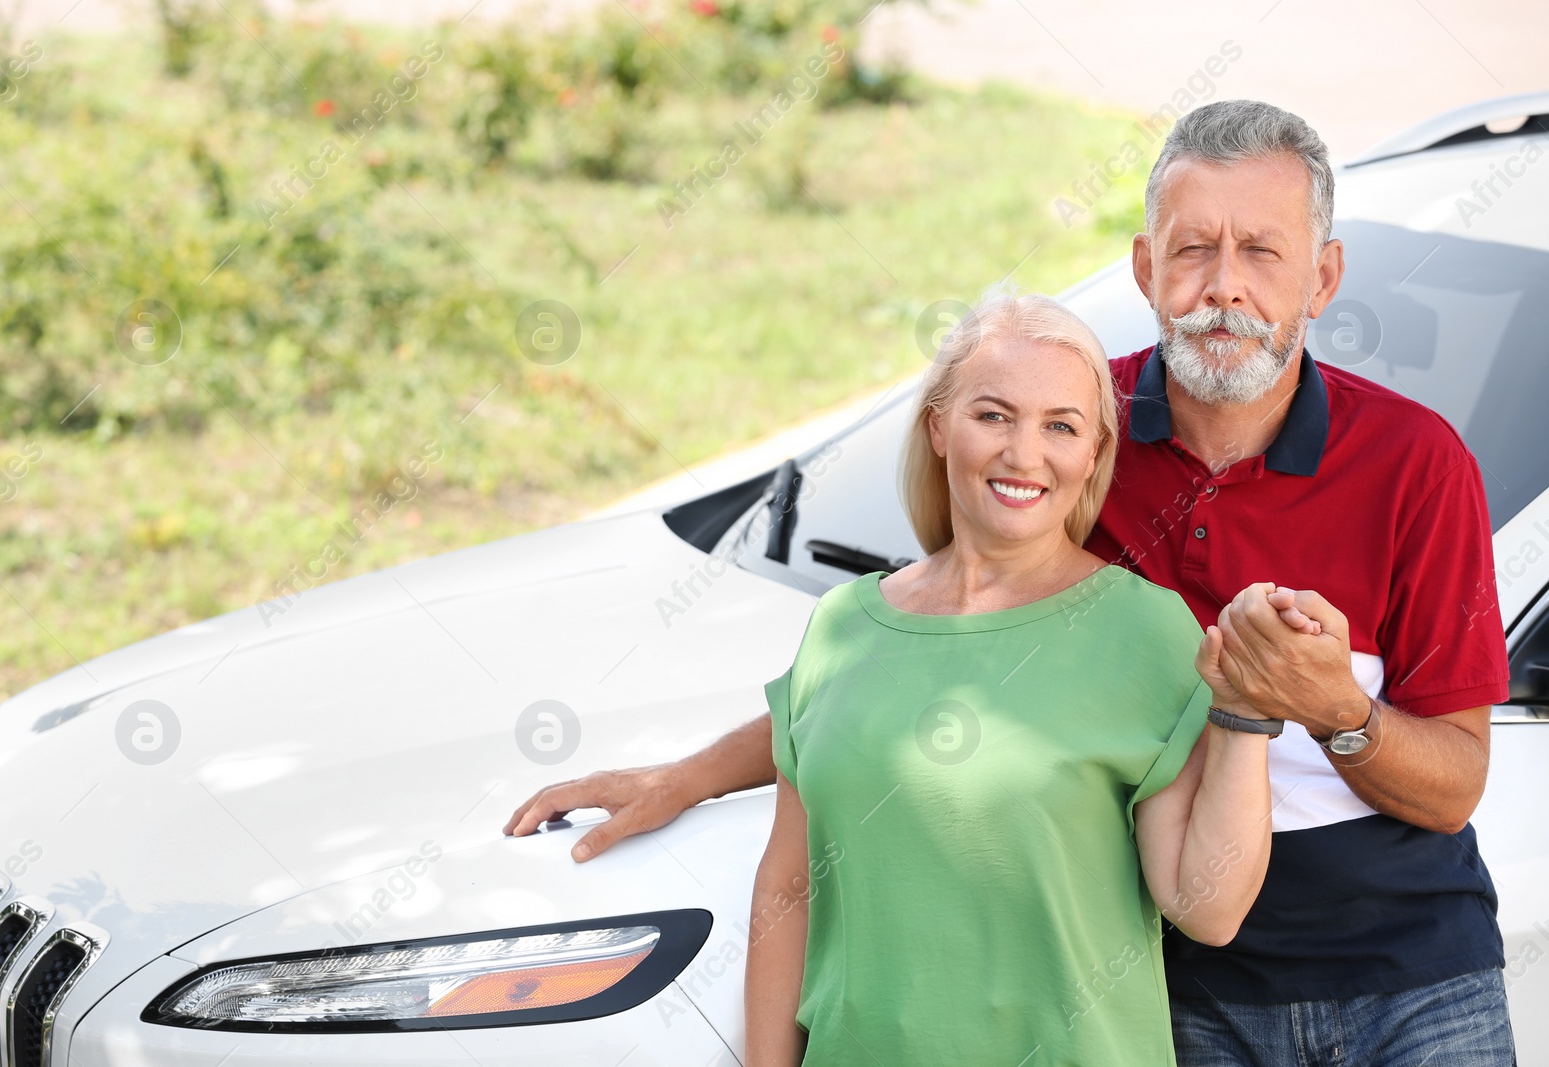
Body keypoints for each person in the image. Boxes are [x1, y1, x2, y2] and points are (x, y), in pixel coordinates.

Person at [505, 100, 1516, 1066]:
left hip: (1407, 975)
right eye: (1192, 249)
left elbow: (1453, 782)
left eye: (1262, 252)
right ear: (1143, 267)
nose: (1224, 287)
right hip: (1185, 981)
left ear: (1322, 278)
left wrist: (1333, 706)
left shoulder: (1412, 465)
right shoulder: (1069, 430)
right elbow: (914, 659)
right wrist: (690, 774)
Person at [745, 292, 1277, 1065]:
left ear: (1093, 452)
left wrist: (1245, 713)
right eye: (993, 415)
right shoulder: (840, 626)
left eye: (1060, 426)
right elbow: (786, 889)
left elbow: (1210, 908)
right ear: (938, 426)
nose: (1024, 455)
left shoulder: (1146, 630)